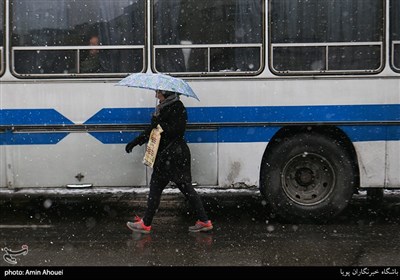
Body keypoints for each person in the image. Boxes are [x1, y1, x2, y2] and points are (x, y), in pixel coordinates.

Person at [125, 90, 213, 234]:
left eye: (158, 93)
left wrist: (158, 124)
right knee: (184, 188)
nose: (156, 95)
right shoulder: (163, 108)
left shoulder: (177, 107)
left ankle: (146, 223)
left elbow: (177, 130)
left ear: (166, 94)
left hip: (172, 155)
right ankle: (204, 220)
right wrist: (136, 142)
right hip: (171, 155)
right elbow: (152, 130)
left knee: (158, 187)